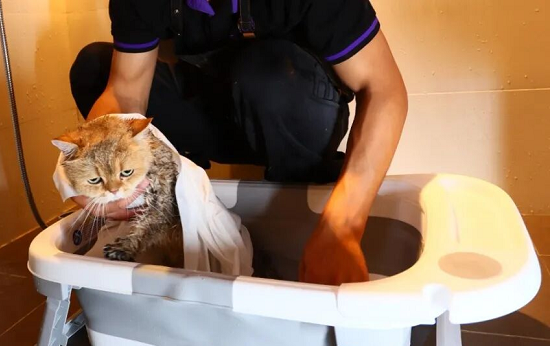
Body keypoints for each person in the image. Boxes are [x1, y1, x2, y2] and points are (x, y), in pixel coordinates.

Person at [68, 0, 408, 286]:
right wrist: (87, 165)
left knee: (266, 74)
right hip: (218, 110)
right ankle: (174, 209)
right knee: (94, 68)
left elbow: (384, 90)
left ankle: (299, 221)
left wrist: (343, 227)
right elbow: (125, 91)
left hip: (294, 113)